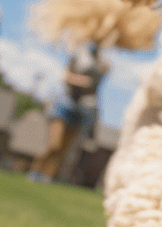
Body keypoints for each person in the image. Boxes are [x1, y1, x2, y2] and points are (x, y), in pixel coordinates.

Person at [29, 40, 109, 183]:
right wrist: (84, 80)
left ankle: (47, 177)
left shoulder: (101, 64)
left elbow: (97, 83)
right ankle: (35, 171)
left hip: (82, 109)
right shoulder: (78, 57)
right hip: (64, 104)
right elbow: (66, 76)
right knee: (54, 143)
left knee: (64, 148)